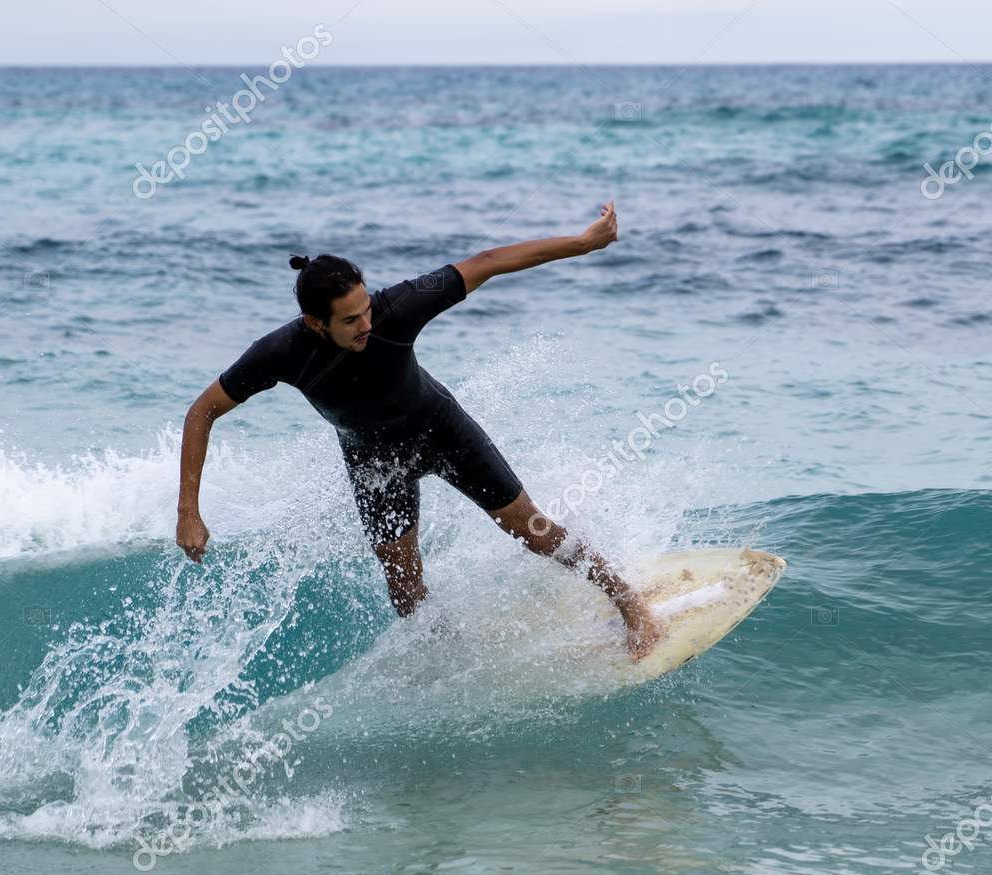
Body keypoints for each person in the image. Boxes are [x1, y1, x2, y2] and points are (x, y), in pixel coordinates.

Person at [175, 200, 665, 660]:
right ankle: (455, 651)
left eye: (366, 308)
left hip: (441, 432)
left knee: (533, 531)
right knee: (405, 592)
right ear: (315, 322)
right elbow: (202, 411)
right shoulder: (279, 352)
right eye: (350, 320)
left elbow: (488, 261)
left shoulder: (397, 309)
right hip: (374, 462)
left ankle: (629, 602)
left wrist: (583, 243)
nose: (365, 323)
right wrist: (189, 512)